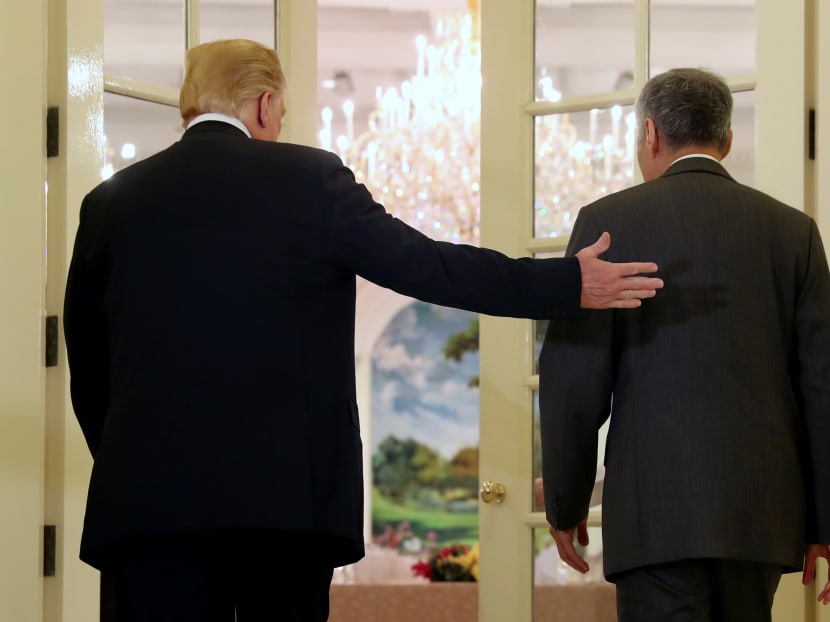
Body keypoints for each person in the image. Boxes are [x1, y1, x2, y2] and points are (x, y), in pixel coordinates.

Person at [63, 38, 662, 622]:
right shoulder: (310, 179)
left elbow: (88, 362)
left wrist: (131, 459)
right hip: (288, 509)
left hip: (147, 509)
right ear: (266, 104)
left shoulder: (109, 203)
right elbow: (429, 267)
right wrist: (565, 283)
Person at [538, 67, 830, 622]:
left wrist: (566, 501)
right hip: (759, 520)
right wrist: (824, 521)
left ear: (649, 135)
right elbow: (822, 386)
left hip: (655, 517)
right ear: (727, 140)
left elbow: (572, 381)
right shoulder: (794, 233)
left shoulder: (607, 224)